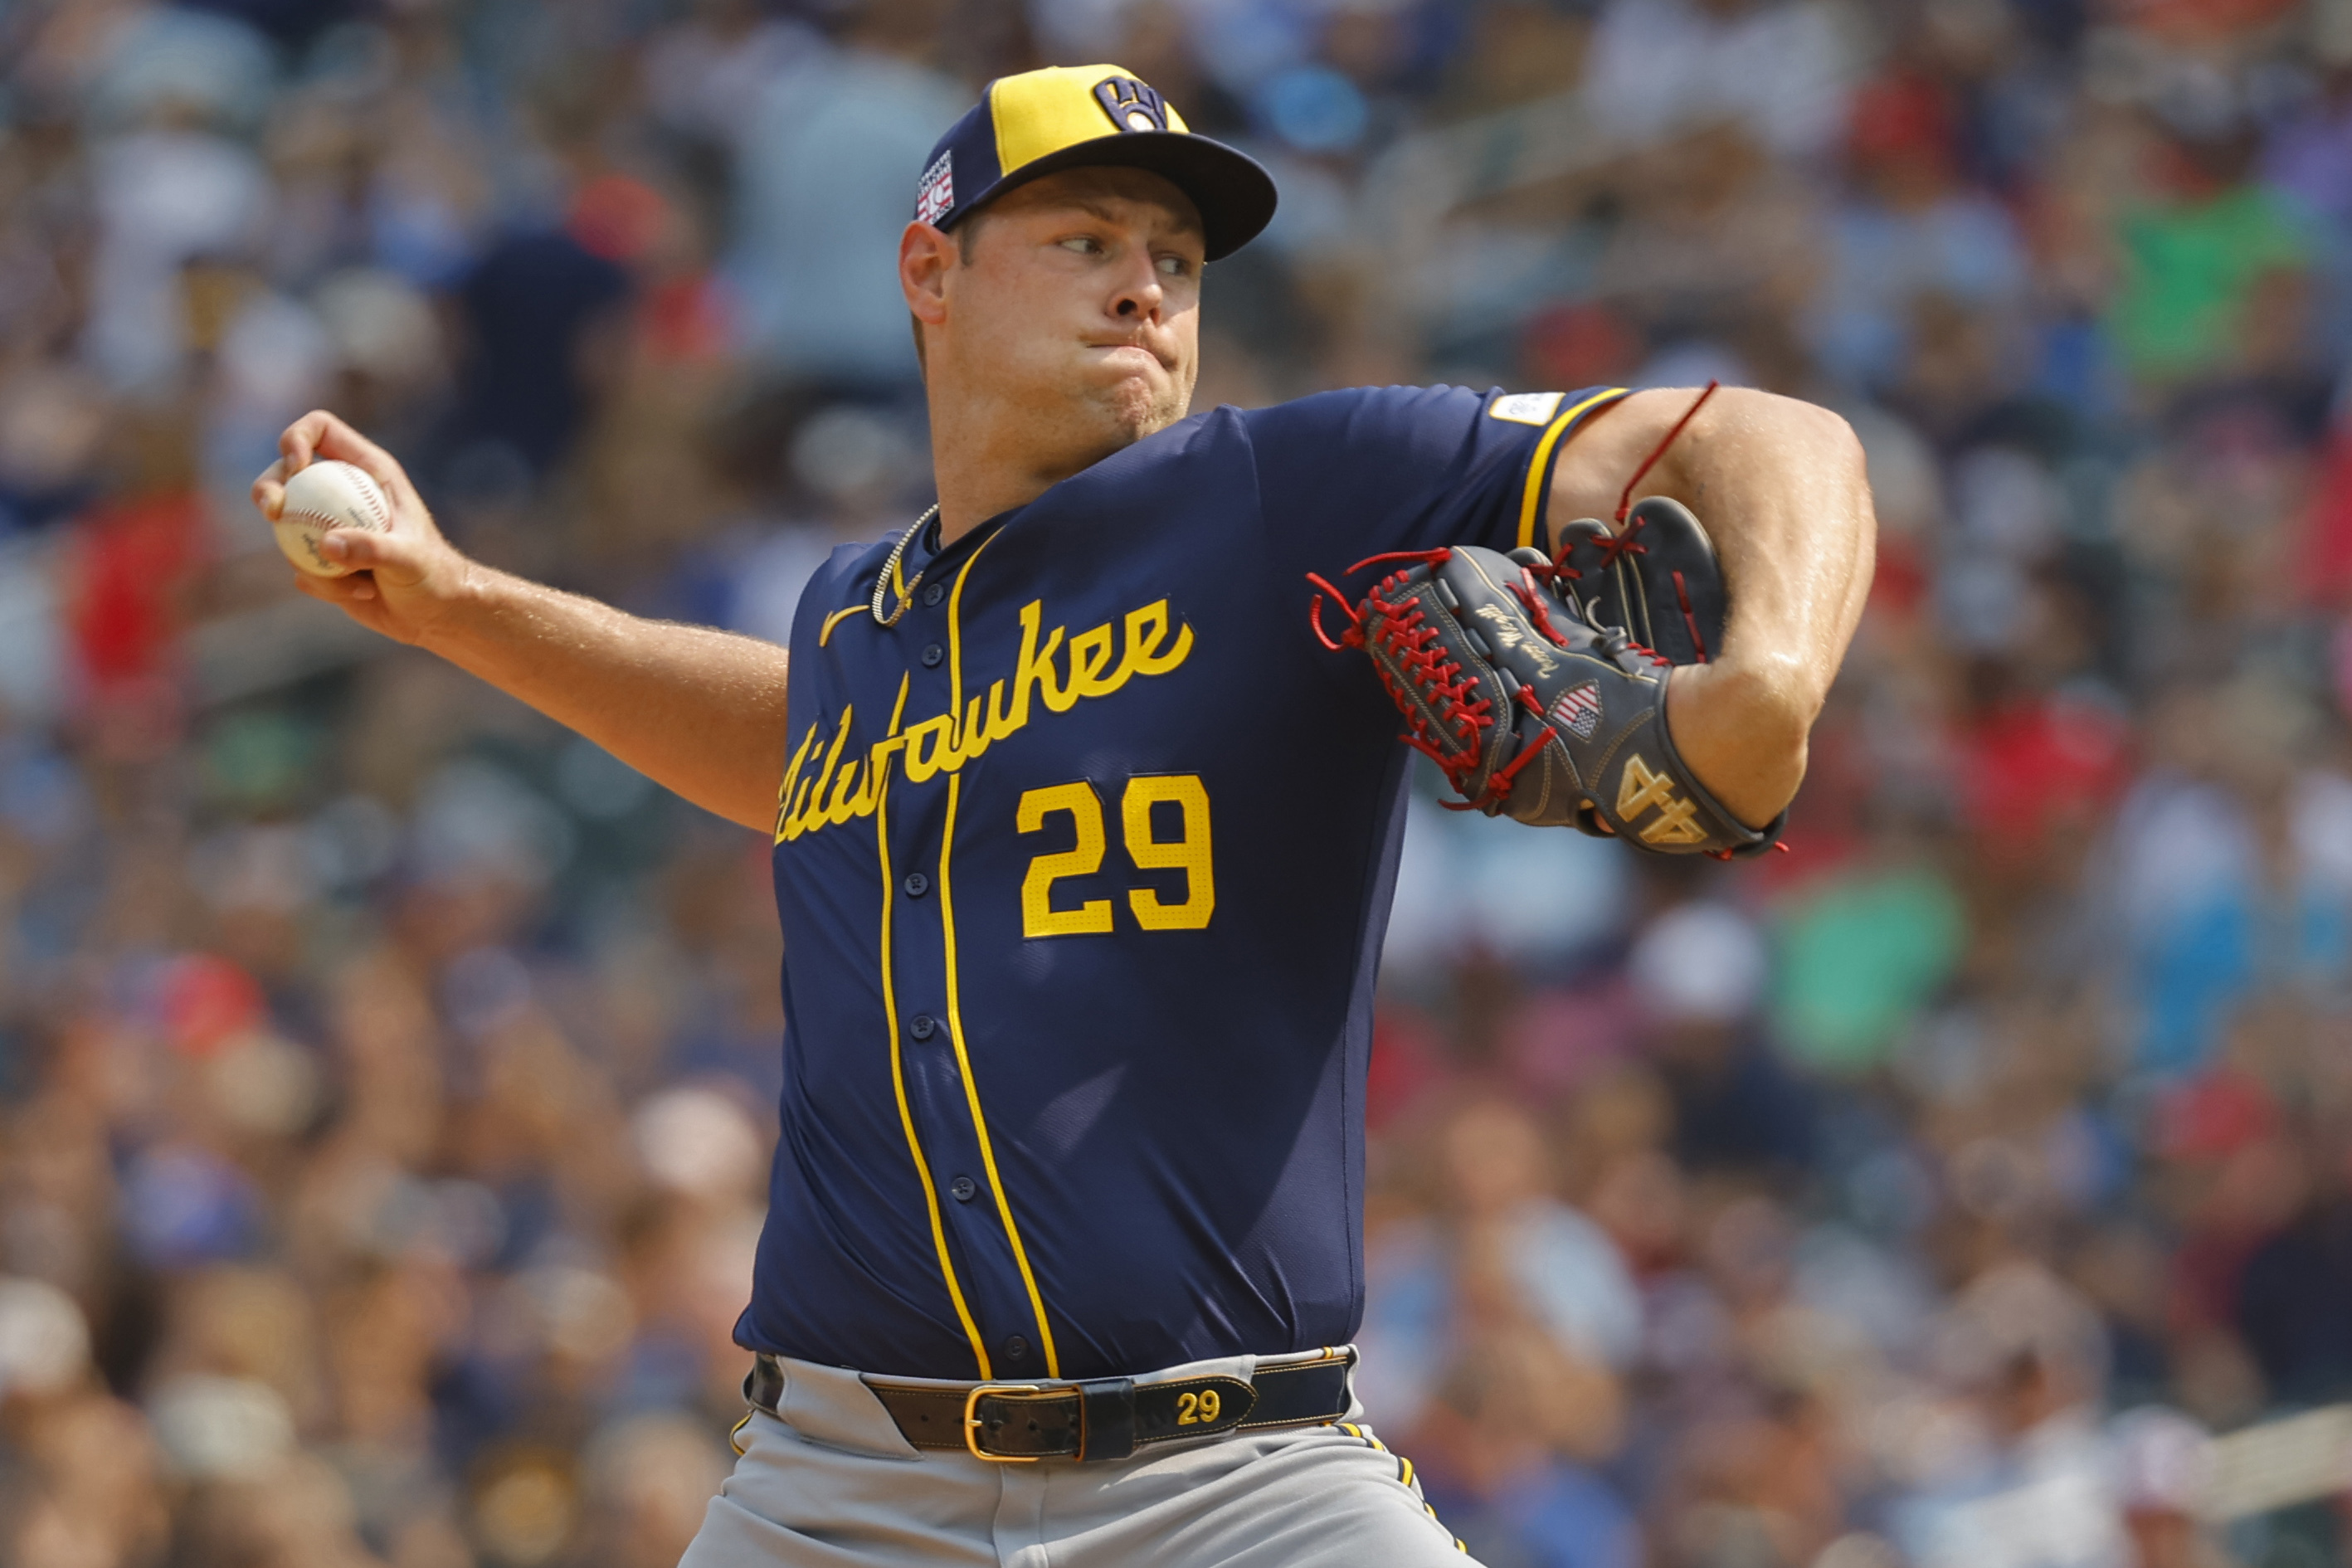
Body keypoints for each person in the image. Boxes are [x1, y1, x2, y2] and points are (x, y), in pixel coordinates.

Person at [253, 62, 1873, 1568]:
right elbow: (806, 755)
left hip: (1240, 1483)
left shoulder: (1294, 493)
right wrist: (456, 603)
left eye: (1174, 255)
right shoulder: (853, 617)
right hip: (837, 1490)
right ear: (927, 273)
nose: (1143, 284)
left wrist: (1767, 680)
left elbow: (1772, 439)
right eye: (1083, 235)